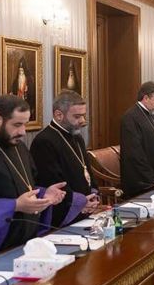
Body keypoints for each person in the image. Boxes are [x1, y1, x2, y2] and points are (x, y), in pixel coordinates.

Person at [0, 95, 66, 253]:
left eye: (25, 124)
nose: (23, 132)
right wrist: (15, 205)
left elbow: (28, 185)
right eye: (17, 125)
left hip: (26, 242)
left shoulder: (20, 147)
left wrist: (44, 194)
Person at [30, 91, 101, 228]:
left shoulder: (77, 137)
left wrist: (93, 194)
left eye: (83, 115)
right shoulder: (44, 141)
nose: (83, 121)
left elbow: (87, 170)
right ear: (59, 115)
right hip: (63, 213)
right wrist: (80, 202)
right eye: (77, 116)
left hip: (85, 209)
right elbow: (54, 182)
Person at [119, 82, 154, 197]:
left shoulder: (151, 115)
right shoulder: (130, 117)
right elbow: (135, 154)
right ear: (146, 98)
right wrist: (151, 181)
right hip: (142, 182)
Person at [9, 56, 36, 120]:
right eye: (19, 71)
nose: (20, 73)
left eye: (22, 71)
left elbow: (31, 94)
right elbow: (14, 90)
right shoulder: (16, 81)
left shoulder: (29, 81)